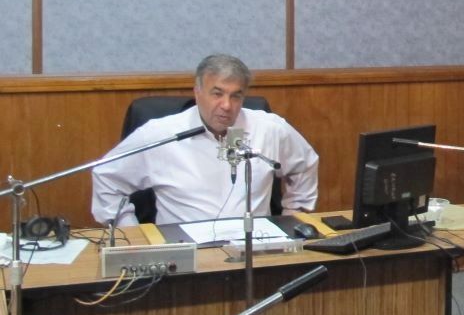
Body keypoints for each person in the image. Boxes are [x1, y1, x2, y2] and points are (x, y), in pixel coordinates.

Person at [91, 54, 319, 227]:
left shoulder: (269, 128)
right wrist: (132, 233)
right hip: (184, 255)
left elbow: (305, 164)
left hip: (253, 248)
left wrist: (292, 218)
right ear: (197, 92)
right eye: (217, 94)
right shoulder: (160, 134)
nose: (227, 105)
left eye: (236, 96)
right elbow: (106, 176)